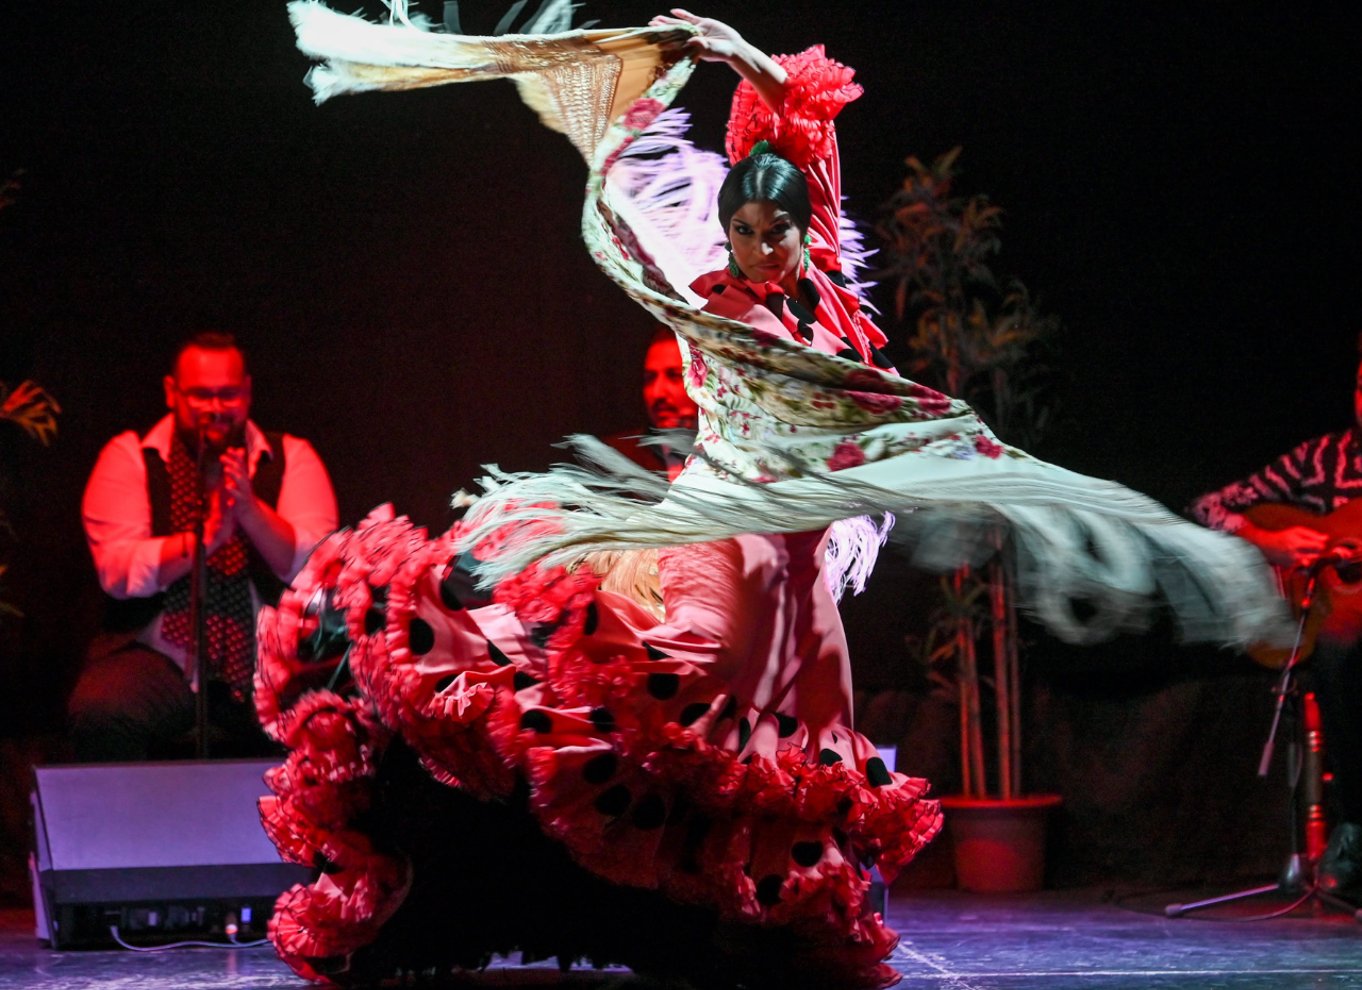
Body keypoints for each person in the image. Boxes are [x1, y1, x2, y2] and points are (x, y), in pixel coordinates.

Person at [264, 6, 1289, 987]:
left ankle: (741, 930)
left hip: (800, 559)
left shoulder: (822, 292)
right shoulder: (714, 301)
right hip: (727, 537)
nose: (762, 246)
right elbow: (656, 220)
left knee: (801, 756)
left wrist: (748, 61)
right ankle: (462, 850)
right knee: (675, 707)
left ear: (801, 232)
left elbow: (810, 150)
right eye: (746, 230)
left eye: (778, 230)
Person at [70, 331, 337, 761]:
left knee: (333, 709)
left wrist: (250, 512)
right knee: (101, 709)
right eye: (200, 395)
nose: (215, 408)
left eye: (227, 395)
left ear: (247, 392)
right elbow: (117, 571)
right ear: (172, 392)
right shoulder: (131, 456)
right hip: (160, 658)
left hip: (269, 660)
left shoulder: (292, 458)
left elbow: (317, 568)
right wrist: (203, 541)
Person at [1189, 352, 1362, 903]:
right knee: (1340, 650)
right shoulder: (1322, 459)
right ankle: (1355, 828)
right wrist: (1271, 542)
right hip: (1337, 639)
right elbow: (1210, 507)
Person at [604, 324, 699, 480]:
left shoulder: (733, 456)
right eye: (650, 378)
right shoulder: (614, 460)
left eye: (674, 376)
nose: (657, 393)